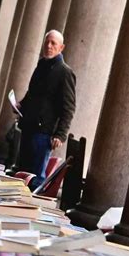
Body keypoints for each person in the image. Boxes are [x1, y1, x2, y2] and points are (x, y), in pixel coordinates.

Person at [15, 30, 76, 189]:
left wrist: (61, 134)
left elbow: (69, 107)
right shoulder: (41, 65)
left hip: (44, 133)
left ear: (61, 47)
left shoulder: (65, 72)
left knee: (35, 178)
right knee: (22, 173)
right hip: (28, 127)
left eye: (53, 43)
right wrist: (21, 104)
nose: (49, 46)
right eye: (47, 42)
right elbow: (33, 93)